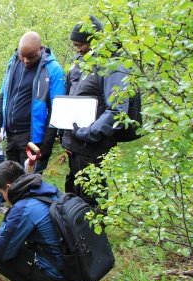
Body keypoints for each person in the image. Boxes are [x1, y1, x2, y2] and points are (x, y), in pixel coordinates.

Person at [62, 15, 130, 207]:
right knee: (73, 191)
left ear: (95, 40)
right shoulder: (78, 63)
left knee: (92, 196)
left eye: (80, 44)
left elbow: (117, 110)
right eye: (75, 45)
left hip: (94, 144)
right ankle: (74, 234)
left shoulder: (113, 65)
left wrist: (87, 133)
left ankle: (93, 235)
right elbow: (70, 98)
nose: (78, 49)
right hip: (75, 143)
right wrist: (66, 135)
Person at [0, 161, 73, 281]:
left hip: (58, 276)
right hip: (73, 267)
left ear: (8, 187)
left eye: (2, 193)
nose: (4, 198)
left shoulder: (23, 208)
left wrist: (4, 226)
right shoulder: (47, 189)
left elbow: (1, 252)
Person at [0, 31, 65, 172]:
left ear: (41, 49)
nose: (25, 60)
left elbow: (57, 109)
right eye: (22, 55)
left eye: (31, 57)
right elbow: (3, 94)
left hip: (33, 138)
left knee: (29, 183)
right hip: (11, 135)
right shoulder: (13, 62)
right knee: (11, 182)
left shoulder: (54, 70)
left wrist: (47, 144)